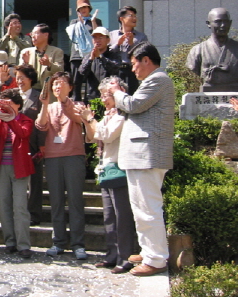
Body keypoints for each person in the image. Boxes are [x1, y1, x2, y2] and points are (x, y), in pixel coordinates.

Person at [108, 42, 174, 277]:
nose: (133, 69)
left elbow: (135, 105)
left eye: (135, 63)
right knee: (140, 208)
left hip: (148, 155)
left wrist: (117, 94)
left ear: (147, 60)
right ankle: (149, 251)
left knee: (148, 208)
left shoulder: (159, 79)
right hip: (140, 156)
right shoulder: (152, 81)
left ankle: (156, 259)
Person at [80, 77, 137, 274]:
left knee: (122, 217)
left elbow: (106, 135)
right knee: (109, 216)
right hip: (106, 167)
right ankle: (112, 254)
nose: (104, 99)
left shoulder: (123, 114)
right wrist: (88, 121)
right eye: (103, 95)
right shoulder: (108, 115)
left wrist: (90, 120)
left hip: (119, 168)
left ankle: (126, 256)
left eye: (108, 95)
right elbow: (91, 137)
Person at [36, 72, 88, 260]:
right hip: (52, 157)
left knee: (75, 201)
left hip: (73, 156)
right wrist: (44, 105)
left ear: (71, 87)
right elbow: (41, 125)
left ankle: (78, 244)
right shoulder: (49, 107)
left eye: (61, 83)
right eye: (55, 84)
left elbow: (77, 118)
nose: (57, 87)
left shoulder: (78, 105)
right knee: (56, 201)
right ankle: (58, 241)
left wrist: (65, 102)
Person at [0, 89, 35, 258]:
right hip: (2, 167)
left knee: (20, 207)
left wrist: (12, 119)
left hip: (20, 168)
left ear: (17, 104)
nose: (6, 106)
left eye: (9, 103)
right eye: (3, 103)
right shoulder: (0, 118)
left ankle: (23, 244)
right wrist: (1, 116)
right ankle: (10, 241)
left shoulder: (26, 120)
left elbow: (23, 133)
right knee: (4, 205)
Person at [15, 64, 45, 226]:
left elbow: (42, 122)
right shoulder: (12, 95)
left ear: (30, 79)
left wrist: (42, 144)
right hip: (14, 144)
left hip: (32, 143)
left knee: (35, 181)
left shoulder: (38, 97)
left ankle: (34, 213)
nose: (19, 81)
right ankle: (18, 211)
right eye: (17, 78)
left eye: (22, 78)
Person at [186, 7, 238, 92]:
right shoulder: (197, 50)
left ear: (230, 23)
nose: (223, 25)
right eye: (218, 22)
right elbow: (192, 67)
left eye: (226, 21)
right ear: (208, 24)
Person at [66, 0, 103, 101]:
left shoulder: (97, 21)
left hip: (91, 55)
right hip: (77, 56)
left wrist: (93, 21)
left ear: (89, 8)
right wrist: (81, 24)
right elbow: (73, 37)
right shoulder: (74, 22)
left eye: (85, 7)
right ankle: (76, 102)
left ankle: (91, 103)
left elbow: (98, 35)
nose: (83, 10)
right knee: (76, 81)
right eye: (80, 8)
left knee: (91, 81)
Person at [109, 6, 148, 94]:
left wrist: (131, 44)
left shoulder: (141, 36)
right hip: (115, 71)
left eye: (135, 16)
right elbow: (107, 53)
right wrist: (118, 44)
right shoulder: (112, 35)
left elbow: (143, 54)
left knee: (131, 97)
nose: (135, 18)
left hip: (132, 72)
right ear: (121, 19)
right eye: (131, 16)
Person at [78, 27, 121, 102]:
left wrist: (100, 57)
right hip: (92, 99)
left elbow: (115, 70)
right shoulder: (88, 57)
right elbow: (82, 73)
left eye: (101, 38)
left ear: (108, 40)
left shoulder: (114, 55)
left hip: (109, 99)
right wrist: (90, 59)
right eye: (95, 38)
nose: (97, 41)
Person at [19, 24, 64, 92]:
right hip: (30, 91)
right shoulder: (26, 52)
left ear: (46, 35)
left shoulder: (56, 51)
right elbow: (19, 74)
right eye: (32, 34)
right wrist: (25, 64)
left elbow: (60, 71)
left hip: (48, 91)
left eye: (36, 33)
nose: (33, 36)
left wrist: (49, 65)